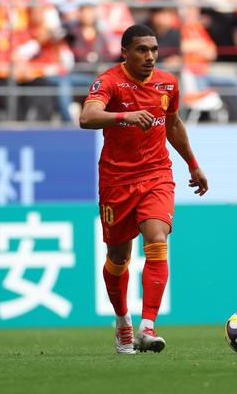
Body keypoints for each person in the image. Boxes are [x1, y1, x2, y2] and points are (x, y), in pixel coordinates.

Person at [79, 24, 208, 354]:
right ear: (125, 52)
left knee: (157, 238)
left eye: (153, 49)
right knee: (118, 257)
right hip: (116, 181)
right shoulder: (110, 82)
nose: (150, 56)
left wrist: (193, 164)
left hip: (156, 174)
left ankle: (147, 326)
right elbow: (87, 117)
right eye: (141, 50)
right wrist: (124, 117)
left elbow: (173, 125)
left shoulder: (168, 83)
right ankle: (122, 320)